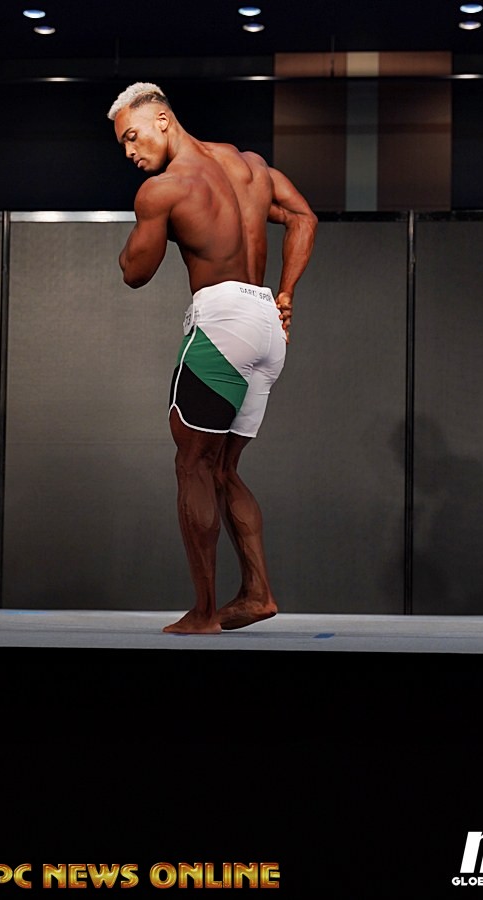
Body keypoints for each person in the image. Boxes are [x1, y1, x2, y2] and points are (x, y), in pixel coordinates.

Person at [107, 82, 317, 634]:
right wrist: (286, 292)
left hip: (222, 320)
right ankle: (258, 594)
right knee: (223, 469)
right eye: (123, 144)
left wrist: (139, 232)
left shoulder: (165, 189)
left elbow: (135, 273)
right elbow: (303, 217)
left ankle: (203, 613)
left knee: (193, 465)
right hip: (266, 323)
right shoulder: (249, 165)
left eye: (132, 136)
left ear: (163, 119)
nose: (129, 151)